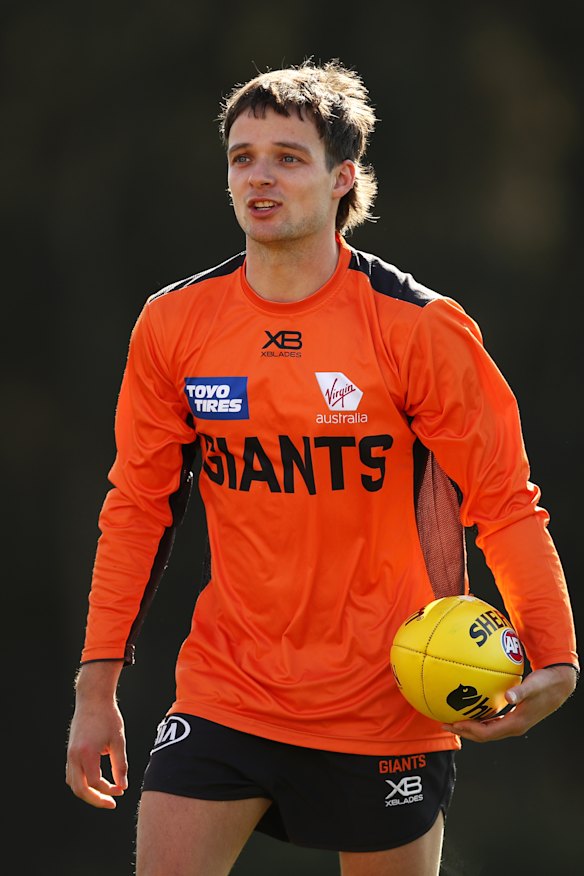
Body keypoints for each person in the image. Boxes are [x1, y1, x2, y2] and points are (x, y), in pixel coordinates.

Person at [66, 60, 578, 876]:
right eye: (242, 157)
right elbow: (137, 506)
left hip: (389, 700)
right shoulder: (175, 324)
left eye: (287, 157)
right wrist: (96, 692)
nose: (259, 176)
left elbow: (505, 502)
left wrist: (554, 657)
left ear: (344, 178)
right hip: (226, 690)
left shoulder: (419, 328)